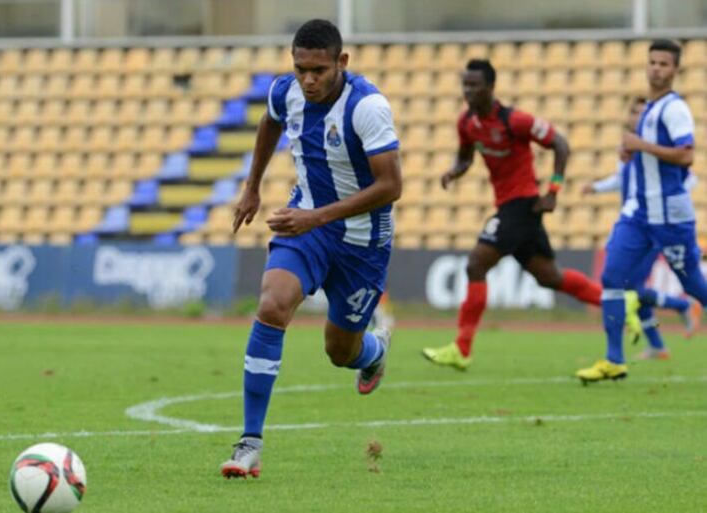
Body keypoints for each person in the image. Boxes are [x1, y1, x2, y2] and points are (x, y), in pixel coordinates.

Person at [220, 19, 402, 478]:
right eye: (301, 68)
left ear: (342, 62)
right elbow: (269, 122)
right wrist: (252, 187)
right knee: (272, 305)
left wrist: (315, 217)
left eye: (318, 70)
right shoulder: (287, 92)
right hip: (307, 228)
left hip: (362, 241)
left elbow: (391, 185)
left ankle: (374, 353)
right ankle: (249, 443)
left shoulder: (367, 107)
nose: (308, 79)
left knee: (340, 351)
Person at [422, 59, 608, 371]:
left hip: (522, 205)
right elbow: (466, 156)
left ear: (491, 88)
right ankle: (618, 302)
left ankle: (461, 348)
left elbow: (560, 144)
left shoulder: (515, 120)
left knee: (475, 263)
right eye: (464, 85)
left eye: (474, 85)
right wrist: (455, 172)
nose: (468, 91)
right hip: (513, 208)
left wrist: (553, 190)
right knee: (550, 277)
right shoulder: (467, 123)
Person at [577, 39, 707, 383]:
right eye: (652, 62)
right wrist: (633, 155)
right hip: (640, 213)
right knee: (612, 278)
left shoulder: (674, 108)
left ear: (675, 70)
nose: (656, 69)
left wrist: (640, 146)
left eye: (664, 64)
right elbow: (651, 155)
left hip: (670, 216)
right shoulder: (649, 108)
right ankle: (614, 359)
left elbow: (686, 155)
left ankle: (675, 317)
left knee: (694, 285)